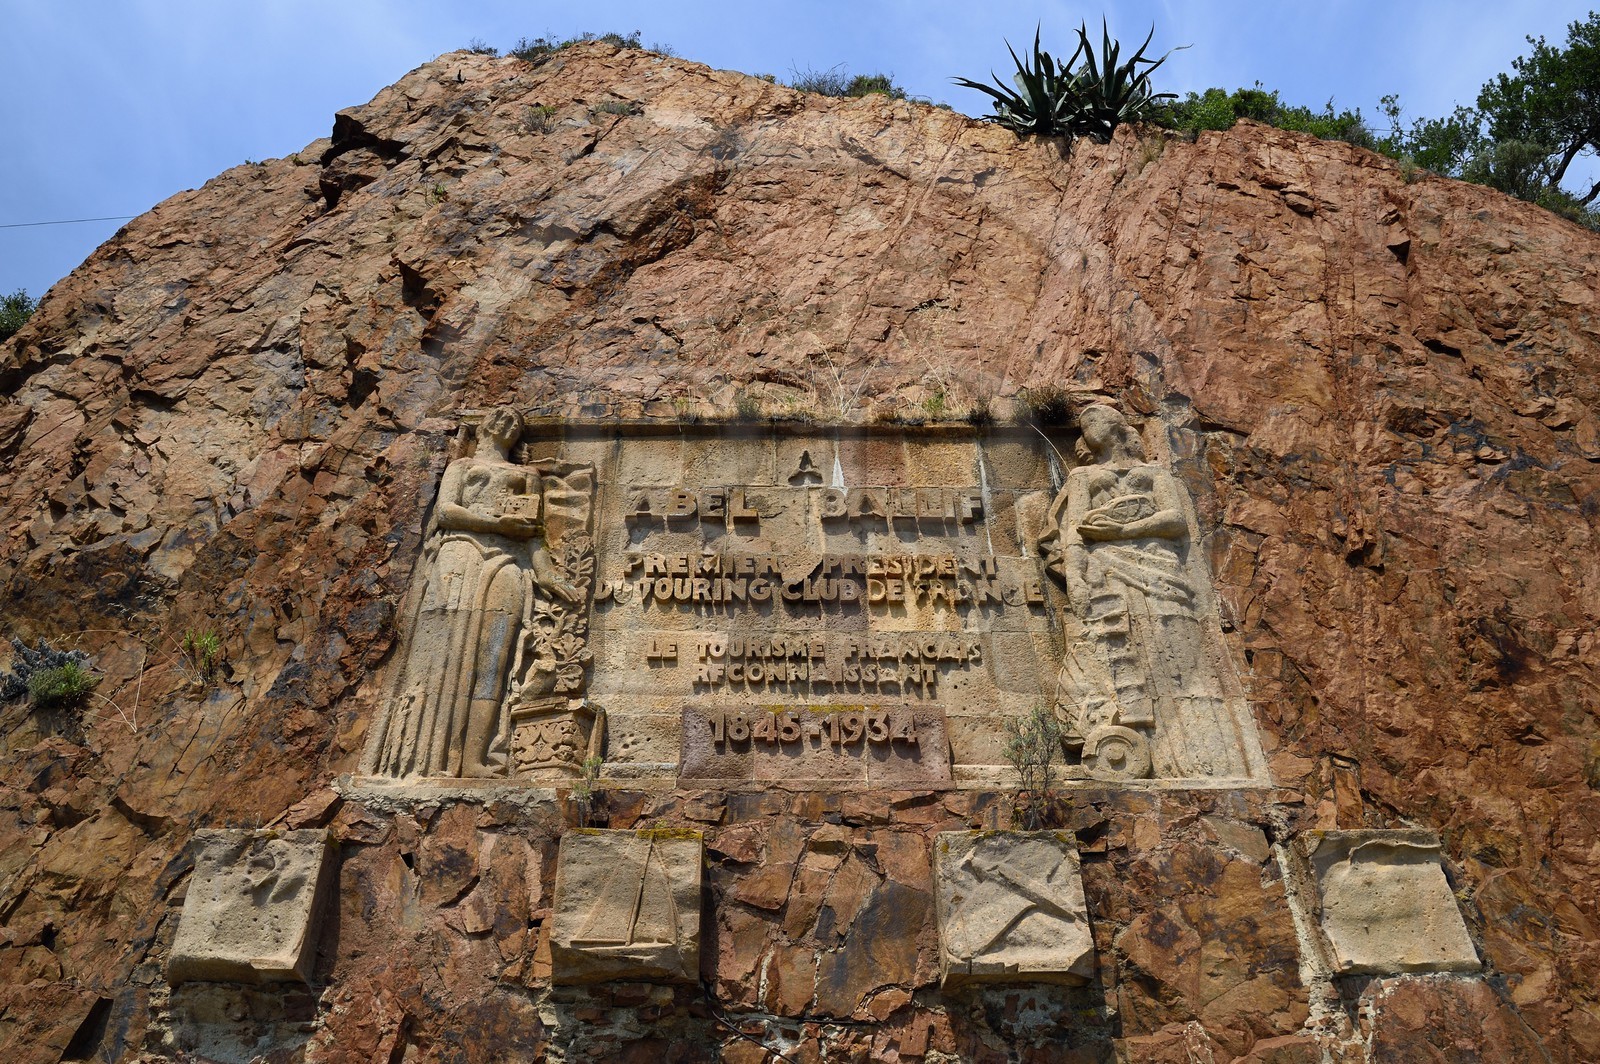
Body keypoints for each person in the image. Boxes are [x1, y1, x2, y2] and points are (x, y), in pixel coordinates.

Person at [369, 407, 580, 778]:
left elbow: (534, 532)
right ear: (484, 424)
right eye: (501, 415)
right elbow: (446, 512)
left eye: (516, 421)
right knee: (442, 653)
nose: (508, 422)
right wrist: (496, 523)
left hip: (508, 561)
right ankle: (425, 758)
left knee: (494, 658)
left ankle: (474, 758)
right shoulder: (462, 466)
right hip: (460, 553)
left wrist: (547, 575)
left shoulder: (527, 476)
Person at [1040, 404, 1240, 778]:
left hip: (1159, 565)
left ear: (1118, 425)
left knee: (1175, 647)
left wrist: (1123, 531)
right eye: (1083, 422)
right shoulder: (1082, 477)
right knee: (1119, 649)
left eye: (1095, 418)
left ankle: (1197, 754)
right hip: (1107, 569)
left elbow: (1176, 519)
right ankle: (1136, 739)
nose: (1087, 424)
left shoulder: (1154, 473)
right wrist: (1077, 579)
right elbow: (1074, 535)